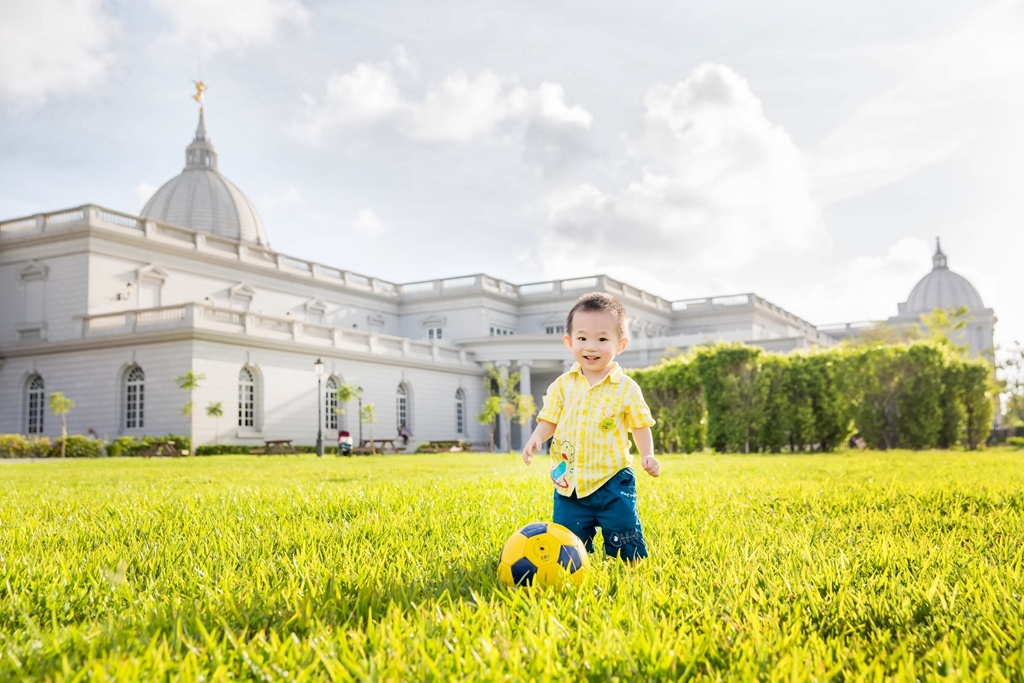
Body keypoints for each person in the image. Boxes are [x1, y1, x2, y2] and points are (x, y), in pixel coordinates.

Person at [522, 291, 661, 562]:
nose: (591, 347)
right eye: (582, 338)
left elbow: (640, 425)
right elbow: (549, 419)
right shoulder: (562, 385)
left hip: (612, 480)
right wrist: (537, 438)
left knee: (624, 534)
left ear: (620, 345)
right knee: (567, 541)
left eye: (602, 339)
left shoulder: (626, 388)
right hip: (570, 484)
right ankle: (571, 569)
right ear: (569, 341)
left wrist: (648, 454)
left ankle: (630, 569)